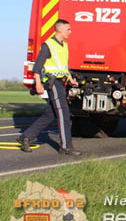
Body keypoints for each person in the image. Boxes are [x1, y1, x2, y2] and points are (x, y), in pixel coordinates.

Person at [18, 20, 80, 155]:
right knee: (64, 114)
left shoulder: (64, 46)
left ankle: (25, 137)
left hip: (61, 83)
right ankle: (66, 147)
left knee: (50, 115)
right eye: (68, 29)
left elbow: (64, 66)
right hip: (53, 83)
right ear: (60, 30)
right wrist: (38, 84)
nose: (70, 32)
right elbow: (37, 67)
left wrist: (70, 79)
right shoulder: (48, 45)